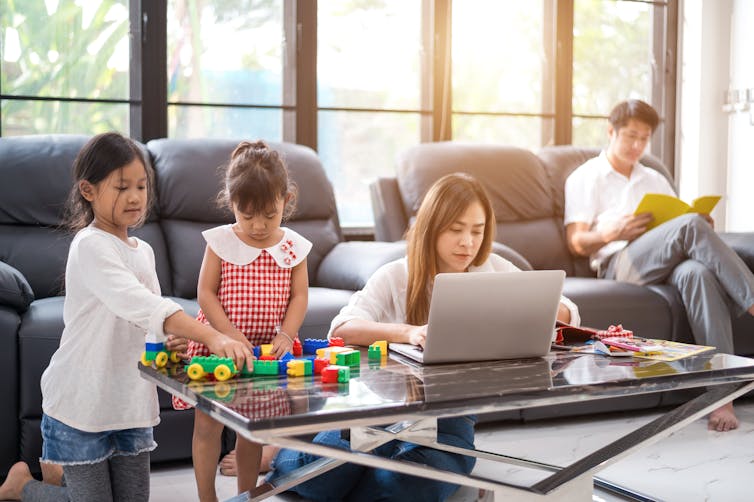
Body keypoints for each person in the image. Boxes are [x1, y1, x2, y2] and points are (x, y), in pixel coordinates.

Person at [264, 172, 580, 502]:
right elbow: (341, 329)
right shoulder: (396, 274)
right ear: (432, 227)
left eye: (477, 230)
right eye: (456, 230)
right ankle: (278, 454)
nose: (468, 242)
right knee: (322, 480)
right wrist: (408, 333)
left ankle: (370, 473)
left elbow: (569, 310)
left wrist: (538, 303)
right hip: (375, 411)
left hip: (448, 421)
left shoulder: (493, 269)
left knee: (409, 485)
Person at [0, 132, 253, 502]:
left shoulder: (144, 251)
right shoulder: (90, 246)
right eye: (121, 188)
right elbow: (139, 302)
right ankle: (22, 486)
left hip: (130, 403)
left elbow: (149, 319)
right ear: (88, 190)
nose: (135, 197)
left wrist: (171, 340)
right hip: (82, 404)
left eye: (141, 186)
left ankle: (59, 475)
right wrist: (210, 335)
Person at [564, 98, 754, 432]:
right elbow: (576, 242)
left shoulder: (653, 178)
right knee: (690, 227)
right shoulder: (586, 176)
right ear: (611, 131)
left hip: (665, 263)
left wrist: (698, 224)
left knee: (698, 273)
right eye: (630, 136)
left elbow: (680, 224)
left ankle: (721, 397)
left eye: (644, 138)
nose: (638, 145)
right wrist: (611, 232)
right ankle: (751, 299)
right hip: (617, 263)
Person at [172, 140, 311, 502]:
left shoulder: (293, 247)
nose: (259, 225)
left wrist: (286, 333)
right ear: (231, 203)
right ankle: (207, 497)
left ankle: (246, 495)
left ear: (286, 199)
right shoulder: (221, 241)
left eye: (269, 213)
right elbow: (205, 293)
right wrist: (229, 335)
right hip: (219, 347)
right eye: (247, 215)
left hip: (263, 352)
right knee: (208, 425)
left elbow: (299, 296)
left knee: (250, 431)